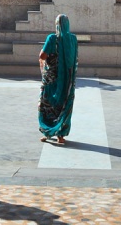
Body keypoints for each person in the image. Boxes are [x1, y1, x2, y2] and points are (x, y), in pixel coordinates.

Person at [38, 13, 78, 145]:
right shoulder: (73, 39)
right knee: (65, 104)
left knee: (47, 104)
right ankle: (61, 135)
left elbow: (43, 56)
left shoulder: (52, 38)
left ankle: (48, 132)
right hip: (67, 81)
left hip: (51, 79)